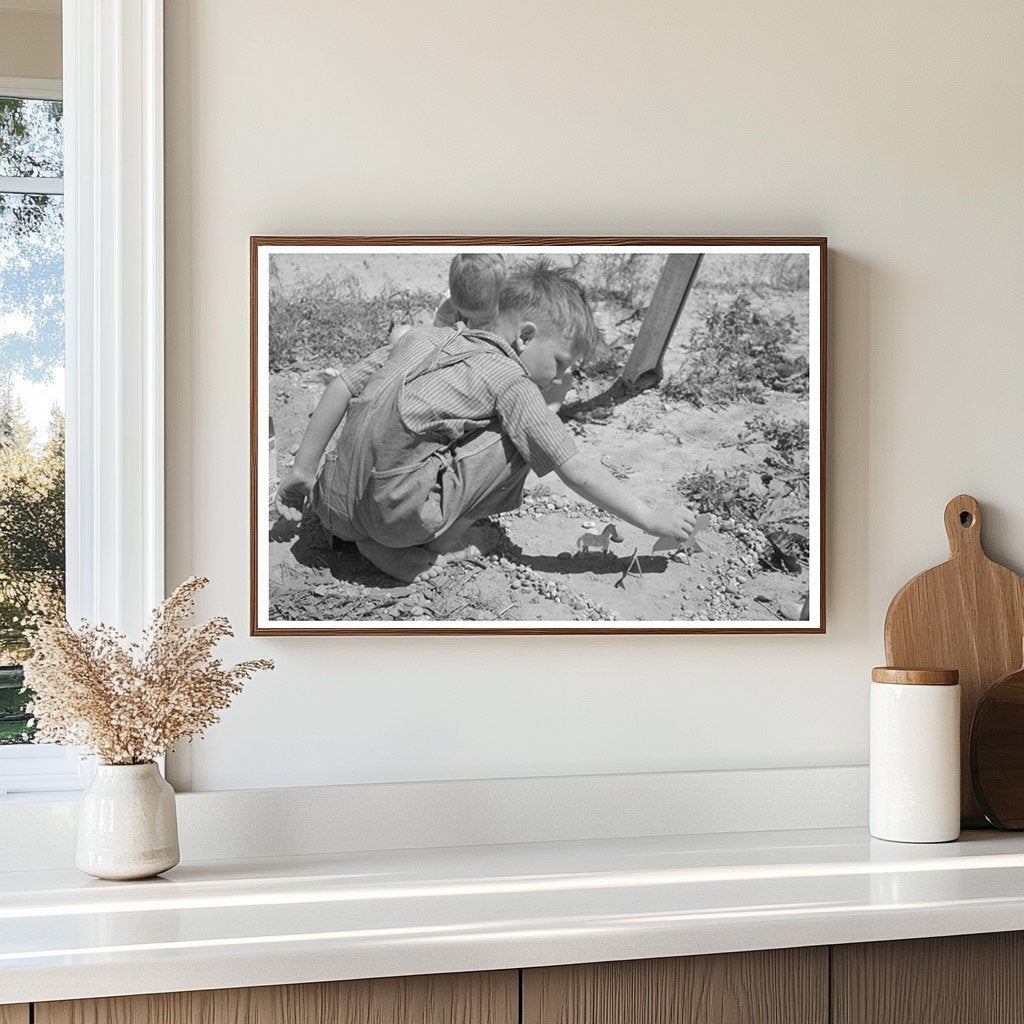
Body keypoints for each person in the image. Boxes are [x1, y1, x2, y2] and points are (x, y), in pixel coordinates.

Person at [277, 258, 696, 582]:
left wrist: (302, 471)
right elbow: (575, 469)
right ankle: (423, 542)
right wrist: (649, 517)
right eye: (562, 362)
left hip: (330, 503)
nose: (564, 376)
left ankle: (362, 536)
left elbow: (340, 388)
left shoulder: (422, 337)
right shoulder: (510, 379)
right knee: (527, 439)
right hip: (394, 522)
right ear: (525, 336)